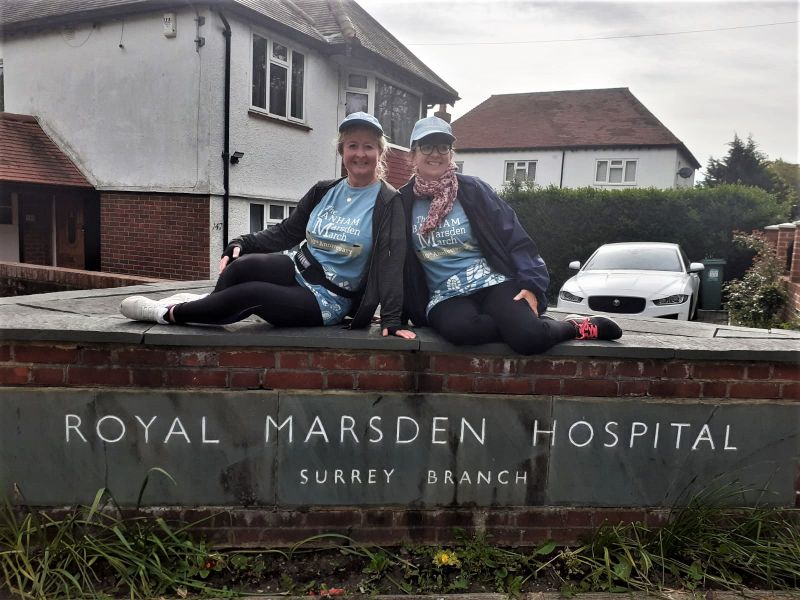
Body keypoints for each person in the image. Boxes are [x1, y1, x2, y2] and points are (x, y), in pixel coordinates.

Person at [120, 112, 415, 339]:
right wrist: (242, 243)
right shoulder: (324, 190)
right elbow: (287, 232)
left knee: (251, 296)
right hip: (297, 267)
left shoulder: (388, 201)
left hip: (328, 298)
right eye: (352, 146)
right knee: (241, 267)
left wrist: (391, 319)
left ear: (380, 151)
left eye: (368, 146)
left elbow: (392, 261)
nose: (360, 154)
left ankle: (167, 314)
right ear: (342, 151)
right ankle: (210, 303)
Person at [399, 116, 620, 354]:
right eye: (426, 146)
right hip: (445, 295)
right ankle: (517, 324)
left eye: (443, 146)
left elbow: (515, 237)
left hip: (494, 283)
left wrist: (532, 285)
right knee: (461, 331)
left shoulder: (473, 190)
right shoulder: (402, 201)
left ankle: (573, 326)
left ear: (451, 153)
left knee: (529, 339)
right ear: (413, 154)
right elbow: (393, 259)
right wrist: (395, 315)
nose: (436, 153)